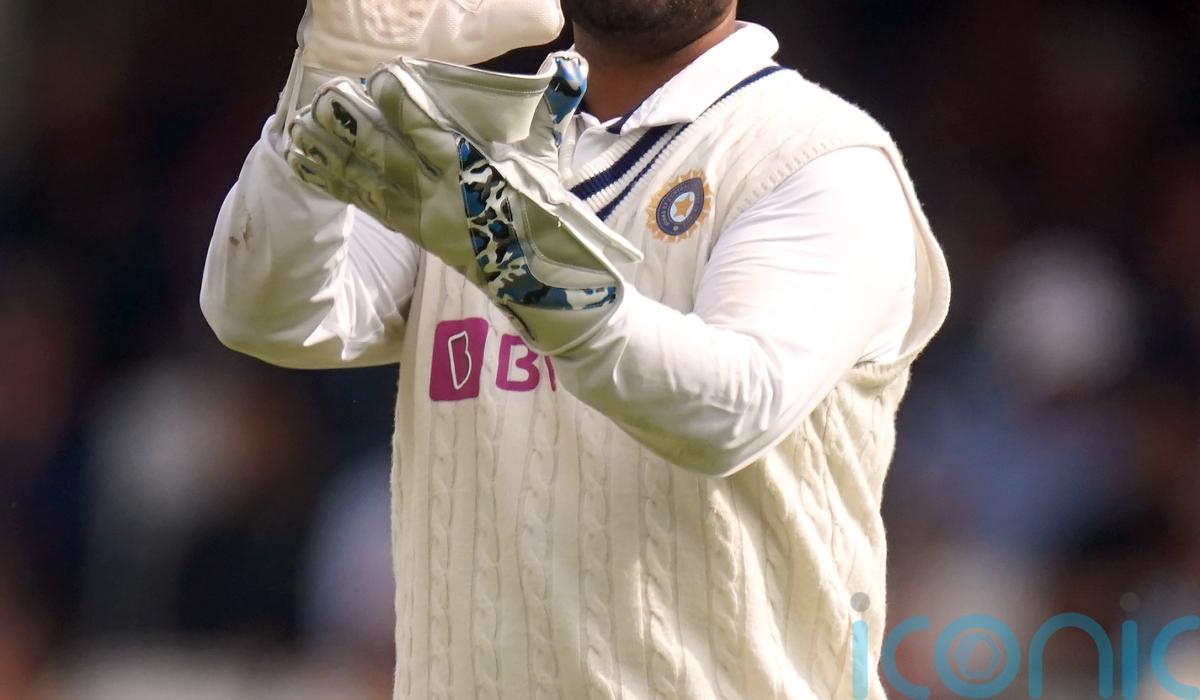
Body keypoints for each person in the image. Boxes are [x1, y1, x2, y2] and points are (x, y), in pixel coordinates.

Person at [200, 0, 951, 697]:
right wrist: (329, 82)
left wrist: (511, 257)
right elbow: (266, 313)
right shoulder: (470, 144)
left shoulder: (818, 158)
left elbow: (730, 408)